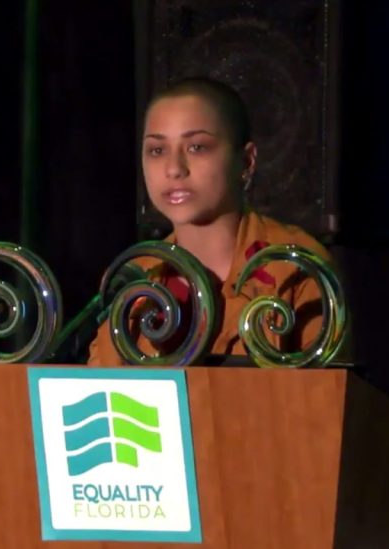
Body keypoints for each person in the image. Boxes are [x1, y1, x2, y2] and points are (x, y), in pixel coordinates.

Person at [87, 77, 338, 365]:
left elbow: (325, 390)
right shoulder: (134, 275)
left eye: (197, 147)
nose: (173, 169)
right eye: (157, 150)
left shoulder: (296, 266)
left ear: (246, 161)